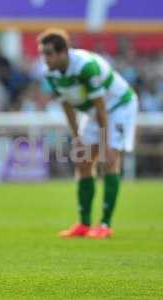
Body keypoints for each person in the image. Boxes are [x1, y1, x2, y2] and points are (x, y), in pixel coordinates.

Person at [37, 29, 138, 239]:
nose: (45, 58)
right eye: (42, 53)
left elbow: (102, 108)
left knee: (109, 159)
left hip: (118, 107)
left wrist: (104, 142)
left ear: (63, 52)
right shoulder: (51, 74)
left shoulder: (86, 67)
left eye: (49, 53)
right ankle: (83, 224)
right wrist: (77, 138)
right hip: (93, 111)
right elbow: (66, 105)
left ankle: (105, 224)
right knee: (83, 162)